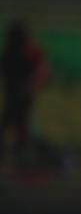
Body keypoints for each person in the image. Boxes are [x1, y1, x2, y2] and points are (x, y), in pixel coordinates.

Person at [1, 19, 49, 162]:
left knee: (18, 122)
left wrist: (29, 85)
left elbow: (41, 72)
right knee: (16, 122)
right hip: (16, 93)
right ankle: (22, 151)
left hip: (22, 94)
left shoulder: (28, 52)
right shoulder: (13, 51)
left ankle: (23, 153)